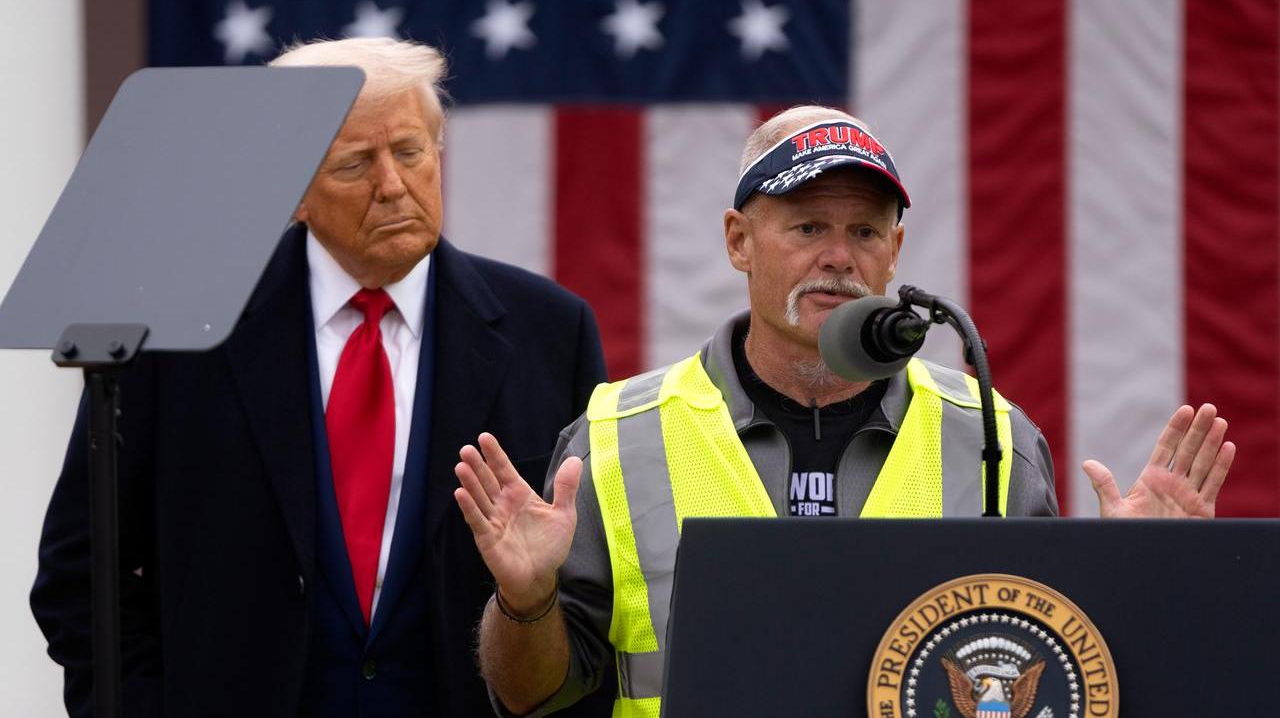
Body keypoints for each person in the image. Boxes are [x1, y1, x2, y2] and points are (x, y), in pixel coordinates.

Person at [451, 105, 1236, 718]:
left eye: (865, 230)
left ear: (895, 251)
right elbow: (532, 697)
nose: (839, 254)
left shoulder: (991, 437)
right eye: (808, 227)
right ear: (738, 240)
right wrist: (526, 603)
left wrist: (1146, 577)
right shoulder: (618, 438)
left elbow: (1039, 674)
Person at [30, 37, 616, 717]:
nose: (392, 185)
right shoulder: (176, 333)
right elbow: (81, 579)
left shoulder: (549, 330)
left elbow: (590, 593)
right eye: (355, 163)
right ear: (292, 191)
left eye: (409, 151)